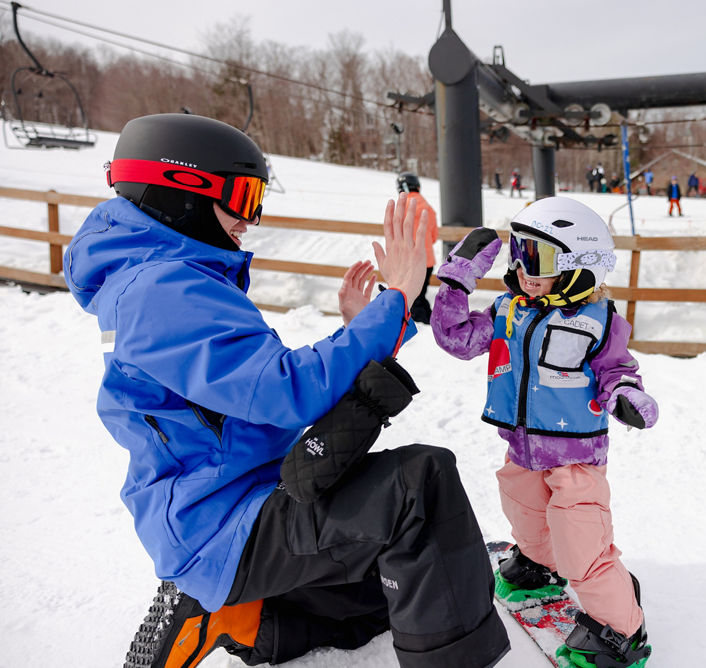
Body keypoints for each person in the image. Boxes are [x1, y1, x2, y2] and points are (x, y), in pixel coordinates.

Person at [63, 113, 508, 668]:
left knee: (385, 591)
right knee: (420, 484)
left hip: (237, 499)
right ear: (182, 191)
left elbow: (255, 390)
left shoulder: (159, 278)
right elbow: (284, 391)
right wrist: (395, 299)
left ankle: (247, 620)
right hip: (226, 520)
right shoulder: (162, 289)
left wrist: (360, 332)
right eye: (242, 197)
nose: (250, 219)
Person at [430, 197, 659, 668]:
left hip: (575, 458)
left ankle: (622, 633)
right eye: (519, 252)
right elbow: (454, 337)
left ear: (579, 263)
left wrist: (625, 395)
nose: (523, 267)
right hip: (522, 450)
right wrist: (457, 278)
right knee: (526, 514)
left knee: (583, 546)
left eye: (538, 256)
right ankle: (538, 565)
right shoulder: (507, 310)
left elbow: (617, 370)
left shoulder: (599, 321)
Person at [396, 172, 438, 324]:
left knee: (414, 299)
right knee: (420, 296)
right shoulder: (428, 207)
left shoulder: (401, 207)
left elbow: (396, 235)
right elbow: (434, 236)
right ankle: (431, 322)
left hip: (409, 261)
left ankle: (423, 325)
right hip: (427, 261)